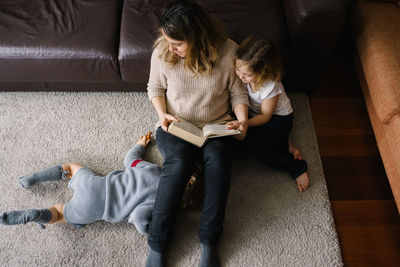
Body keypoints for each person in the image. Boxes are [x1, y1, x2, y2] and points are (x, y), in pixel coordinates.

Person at [145, 0, 249, 266]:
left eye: (177, 43)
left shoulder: (228, 51)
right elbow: (155, 87)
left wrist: (242, 119)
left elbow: (238, 92)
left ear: (196, 37)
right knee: (178, 163)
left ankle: (209, 240)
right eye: (168, 41)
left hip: (216, 126)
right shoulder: (162, 53)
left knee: (220, 163)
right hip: (176, 124)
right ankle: (157, 245)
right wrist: (161, 114)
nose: (171, 48)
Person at [0, 133, 162, 234]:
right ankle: (39, 215)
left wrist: (140, 145)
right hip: (94, 208)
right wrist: (148, 229)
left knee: (70, 168)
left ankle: (32, 178)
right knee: (60, 213)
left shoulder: (152, 170)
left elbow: (130, 160)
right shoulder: (160, 204)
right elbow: (139, 218)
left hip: (95, 185)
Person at [230, 35, 310, 192]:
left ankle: (296, 166)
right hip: (254, 114)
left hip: (277, 118)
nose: (240, 76)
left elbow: (265, 116)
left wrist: (244, 123)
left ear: (263, 73)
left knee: (256, 150)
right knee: (233, 145)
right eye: (238, 69)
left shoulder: (270, 85)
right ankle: (283, 143)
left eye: (246, 75)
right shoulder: (243, 67)